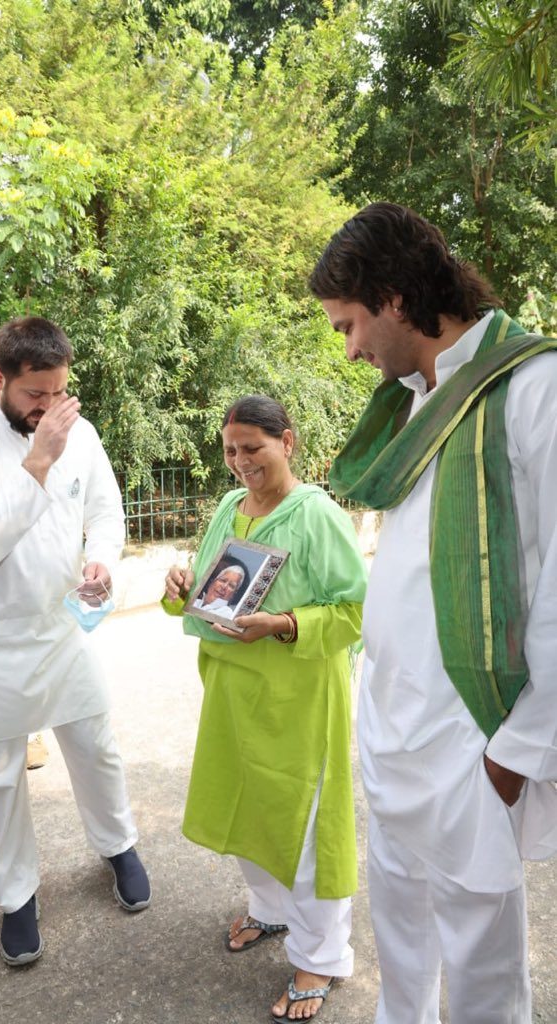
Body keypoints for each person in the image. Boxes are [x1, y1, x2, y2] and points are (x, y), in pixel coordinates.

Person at [309, 201, 557, 1024]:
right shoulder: (416, 399)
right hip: (393, 725)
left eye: (349, 325)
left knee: (480, 950)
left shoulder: (533, 387)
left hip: (470, 737)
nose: (349, 350)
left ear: (393, 298)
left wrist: (516, 750)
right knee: (401, 926)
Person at [0, 316, 150, 966]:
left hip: (61, 627)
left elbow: (104, 511)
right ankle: (17, 896)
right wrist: (42, 458)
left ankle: (118, 846)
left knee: (96, 746)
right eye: (34, 396)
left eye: (59, 394)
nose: (50, 409)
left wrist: (103, 559)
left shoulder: (80, 432)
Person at [163, 395, 367, 1022]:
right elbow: (211, 593)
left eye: (253, 446)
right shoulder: (229, 506)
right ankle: (272, 908)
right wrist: (178, 589)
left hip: (298, 703)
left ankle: (322, 957)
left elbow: (354, 611)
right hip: (232, 695)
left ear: (289, 442)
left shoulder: (318, 516)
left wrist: (281, 623)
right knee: (248, 810)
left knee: (304, 828)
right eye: (230, 449)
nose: (241, 461)